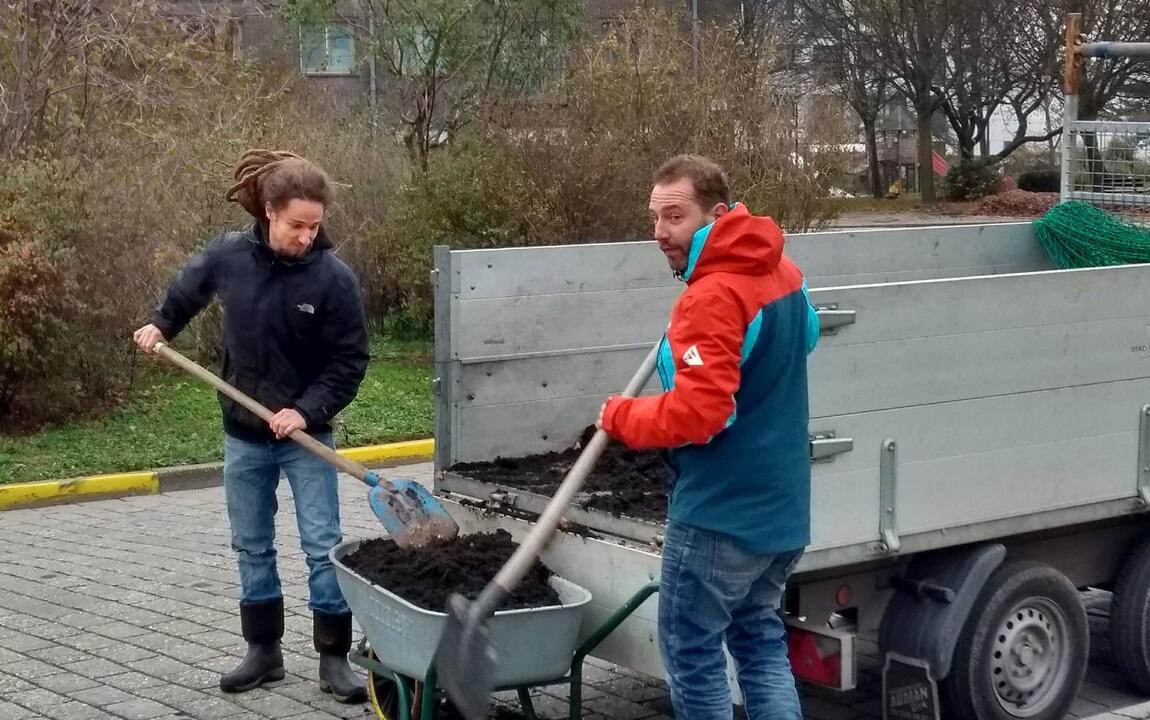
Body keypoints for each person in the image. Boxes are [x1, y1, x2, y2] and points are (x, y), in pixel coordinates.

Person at [133, 149, 370, 703]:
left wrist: (305, 411)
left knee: (321, 544)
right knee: (252, 545)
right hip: (245, 433)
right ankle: (264, 652)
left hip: (307, 438)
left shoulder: (334, 280)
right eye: (296, 226)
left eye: (315, 226)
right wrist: (158, 326)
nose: (307, 236)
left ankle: (334, 658)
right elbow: (184, 292)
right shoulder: (229, 256)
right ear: (268, 212)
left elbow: (349, 362)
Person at [597, 154, 818, 719]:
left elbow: (703, 416)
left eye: (674, 217)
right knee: (760, 641)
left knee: (692, 653)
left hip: (721, 514)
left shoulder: (712, 296)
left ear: (715, 215)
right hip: (782, 509)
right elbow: (810, 333)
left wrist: (621, 417)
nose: (660, 234)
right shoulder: (780, 272)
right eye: (654, 218)